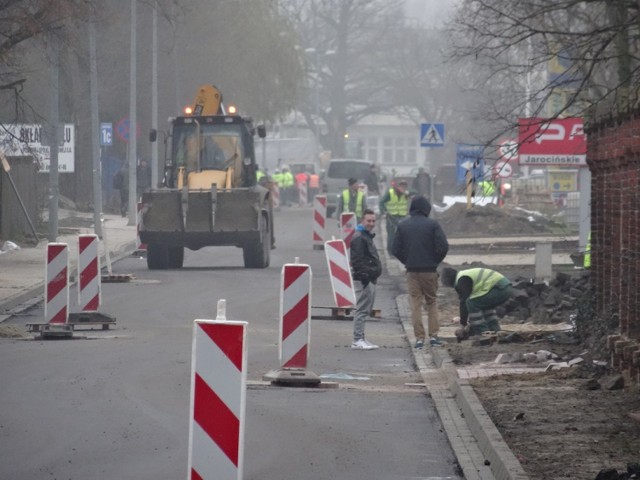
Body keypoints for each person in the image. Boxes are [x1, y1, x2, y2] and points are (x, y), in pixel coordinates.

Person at [392, 196, 449, 349]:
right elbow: (443, 247)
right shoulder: (432, 225)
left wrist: (407, 260)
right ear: (426, 209)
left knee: (415, 304)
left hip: (412, 271)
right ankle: (434, 336)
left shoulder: (403, 225)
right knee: (431, 302)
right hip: (429, 271)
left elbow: (395, 249)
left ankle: (419, 338)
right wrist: (434, 260)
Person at [440, 267, 513, 341]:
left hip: (498, 288)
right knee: (485, 306)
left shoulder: (461, 280)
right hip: (505, 287)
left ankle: (482, 333)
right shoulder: (464, 276)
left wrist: (463, 324)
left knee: (471, 302)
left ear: (448, 281)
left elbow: (464, 303)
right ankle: (495, 331)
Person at [350, 208, 382, 350]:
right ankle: (357, 339)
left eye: (373, 221)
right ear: (362, 221)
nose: (371, 223)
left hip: (369, 278)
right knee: (362, 309)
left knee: (365, 309)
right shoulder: (359, 237)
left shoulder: (365, 236)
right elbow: (357, 261)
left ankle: (361, 338)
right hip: (365, 279)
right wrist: (365, 276)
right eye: (368, 220)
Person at [379, 179, 410, 256]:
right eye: (401, 186)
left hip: (402, 216)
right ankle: (391, 252)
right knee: (391, 235)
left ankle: (401, 251)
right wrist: (384, 211)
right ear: (398, 187)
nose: (403, 188)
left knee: (403, 234)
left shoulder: (406, 194)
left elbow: (414, 192)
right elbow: (381, 202)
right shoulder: (390, 193)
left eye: (404, 187)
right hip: (391, 217)